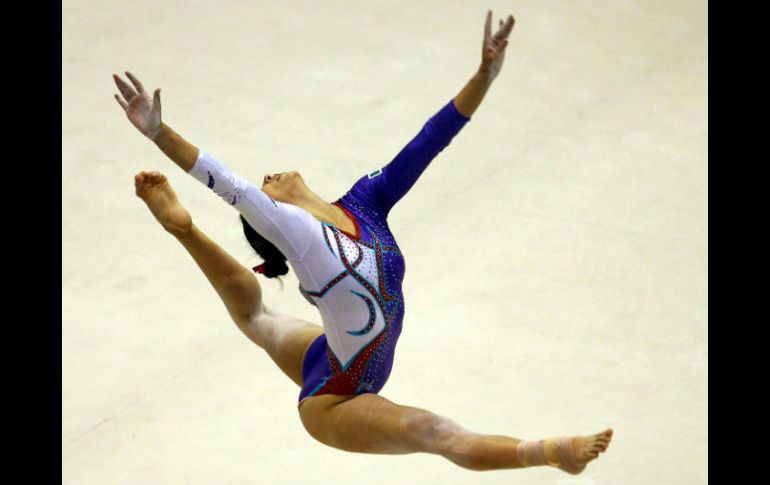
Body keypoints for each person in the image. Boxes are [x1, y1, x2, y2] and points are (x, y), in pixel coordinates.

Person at [117, 11, 612, 474]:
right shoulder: (299, 234)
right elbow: (228, 183)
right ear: (273, 217)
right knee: (433, 431)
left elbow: (429, 140)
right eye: (266, 185)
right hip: (336, 398)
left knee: (257, 318)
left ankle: (180, 227)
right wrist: (159, 131)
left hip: (332, 356)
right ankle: (551, 453)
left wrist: (484, 76)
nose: (269, 175)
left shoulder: (365, 200)